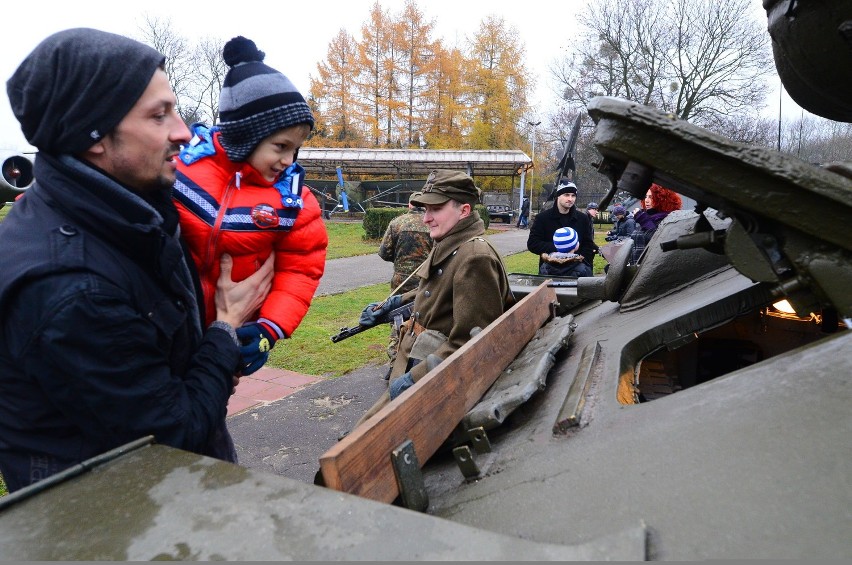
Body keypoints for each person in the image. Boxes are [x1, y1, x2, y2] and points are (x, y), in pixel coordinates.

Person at [0, 28, 274, 493]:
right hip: (116, 525)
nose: (183, 131)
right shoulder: (71, 288)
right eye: (158, 115)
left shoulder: (134, 212)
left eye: (176, 108)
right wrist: (226, 327)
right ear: (93, 138)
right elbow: (174, 435)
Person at [174, 36, 327, 376]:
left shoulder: (294, 203)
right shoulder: (182, 169)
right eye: (280, 146)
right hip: (170, 330)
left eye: (296, 149)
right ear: (245, 135)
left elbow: (301, 269)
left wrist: (268, 329)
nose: (289, 160)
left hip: (228, 335)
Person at [351, 170, 513, 428]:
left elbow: (472, 343)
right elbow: (434, 291)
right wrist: (393, 305)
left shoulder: (474, 257)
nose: (426, 219)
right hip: (418, 362)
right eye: (425, 209)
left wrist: (416, 379)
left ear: (464, 211)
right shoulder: (451, 244)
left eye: (435, 209)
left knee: (359, 442)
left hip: (432, 378)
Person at [378, 192, 434, 367]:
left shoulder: (396, 223)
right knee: (424, 317)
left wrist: (401, 259)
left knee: (397, 317)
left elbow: (384, 253)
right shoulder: (431, 224)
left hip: (400, 280)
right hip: (425, 280)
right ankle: (420, 356)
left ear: (410, 204)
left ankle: (395, 359)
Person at [527, 179, 596, 276]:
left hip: (577, 270)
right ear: (558, 196)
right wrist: (562, 247)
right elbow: (533, 244)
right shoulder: (543, 218)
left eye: (573, 195)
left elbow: (588, 244)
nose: (570, 199)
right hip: (550, 270)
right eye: (566, 195)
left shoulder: (582, 219)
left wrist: (580, 261)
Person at [629, 183, 683, 264]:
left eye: (651, 197)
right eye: (645, 197)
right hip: (637, 267)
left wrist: (643, 220)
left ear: (662, 199)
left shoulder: (668, 219)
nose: (646, 200)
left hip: (651, 267)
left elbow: (657, 241)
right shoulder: (647, 217)